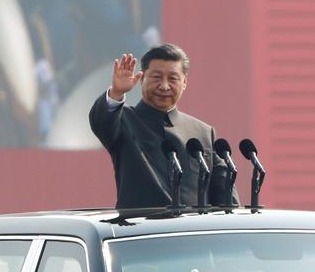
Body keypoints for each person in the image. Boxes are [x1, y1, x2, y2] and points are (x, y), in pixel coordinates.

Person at [89, 43, 232, 209]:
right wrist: (116, 92)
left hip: (193, 232)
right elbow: (101, 122)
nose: (164, 86)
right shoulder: (124, 119)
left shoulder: (204, 132)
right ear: (142, 79)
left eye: (173, 78)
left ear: (184, 83)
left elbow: (224, 197)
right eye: (156, 77)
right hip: (140, 231)